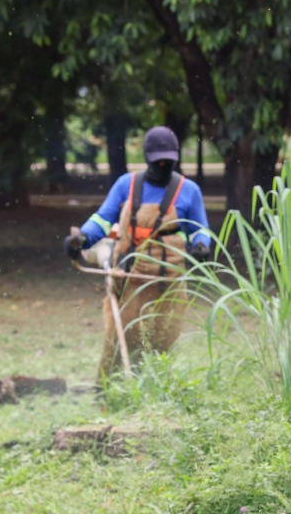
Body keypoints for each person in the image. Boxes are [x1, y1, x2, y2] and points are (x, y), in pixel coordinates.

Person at [64, 126, 213, 377]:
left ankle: (157, 391)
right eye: (158, 161)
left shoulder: (189, 191)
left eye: (169, 161)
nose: (163, 164)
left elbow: (202, 229)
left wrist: (201, 245)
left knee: (165, 339)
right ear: (147, 159)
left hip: (172, 280)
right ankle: (109, 391)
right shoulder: (127, 185)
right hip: (131, 276)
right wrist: (83, 238)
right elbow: (102, 219)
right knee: (121, 335)